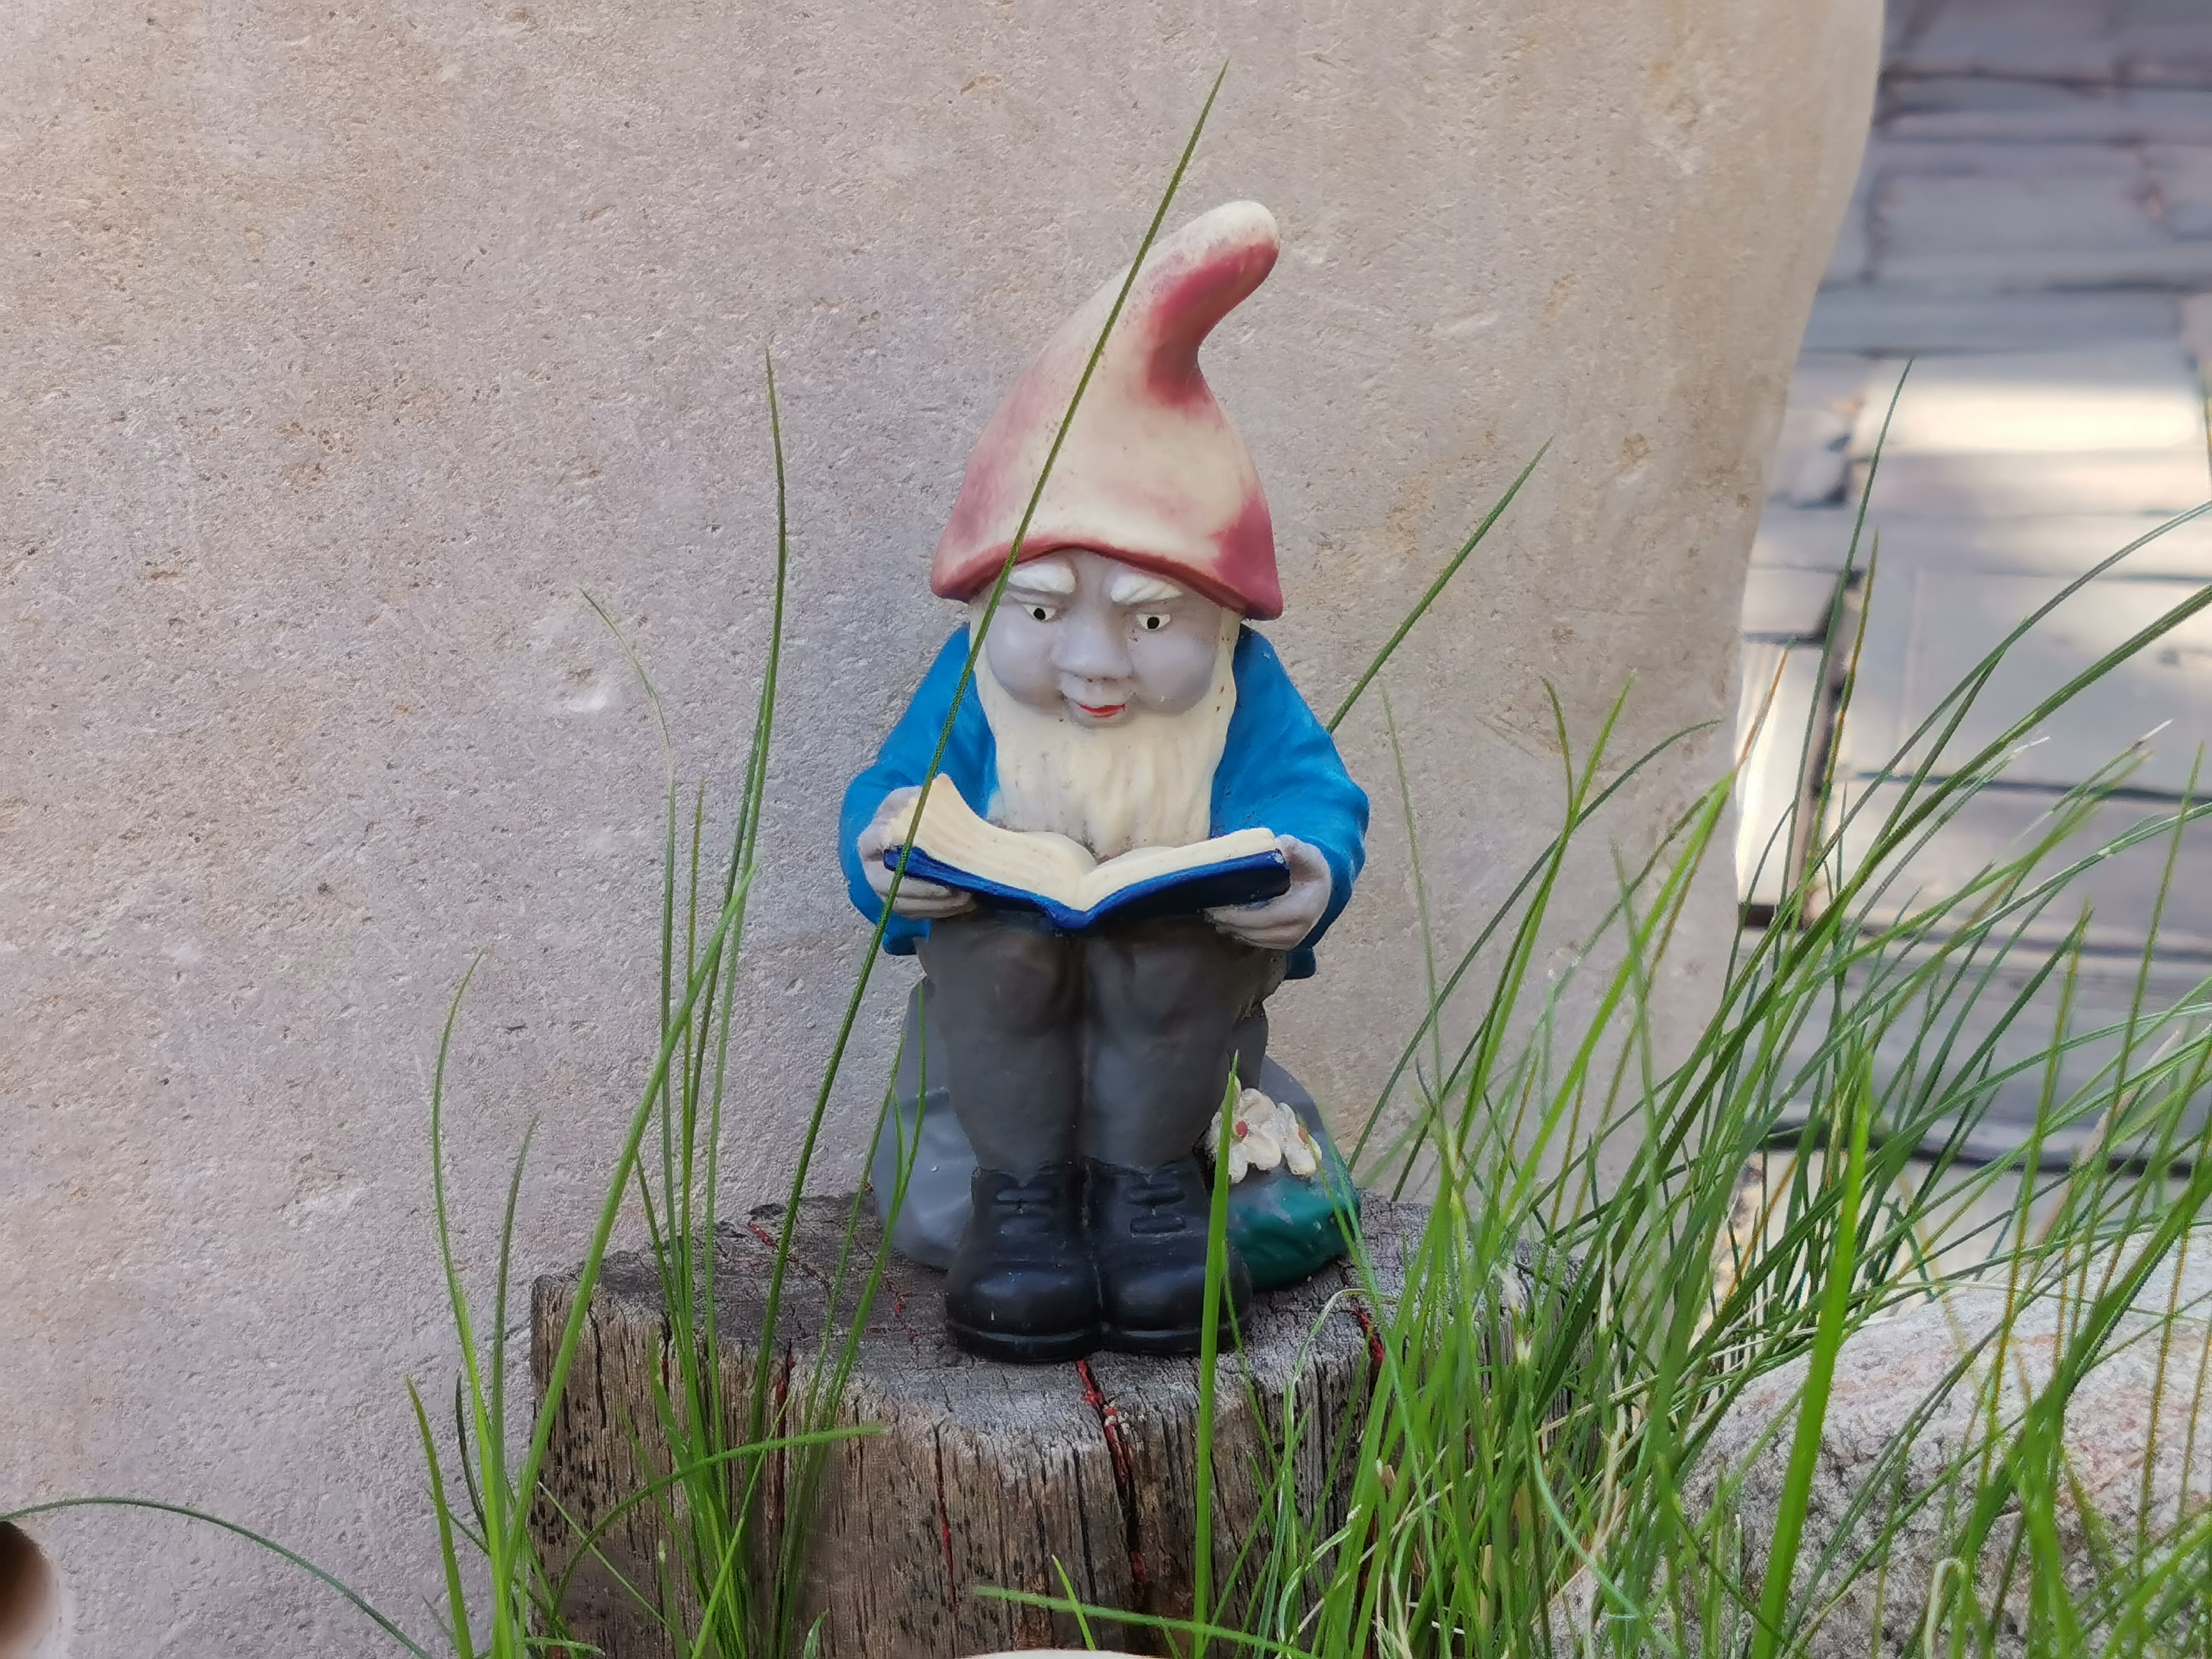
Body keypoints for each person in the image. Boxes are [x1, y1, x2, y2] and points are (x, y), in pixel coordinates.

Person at [839, 201, 1368, 1363]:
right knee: (999, 957)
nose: (1092, 663)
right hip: (999, 1014)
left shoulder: (1239, 692)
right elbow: (895, 789)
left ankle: (1150, 1196)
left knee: (1169, 959)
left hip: (1182, 1015)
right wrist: (884, 853)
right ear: (988, 603)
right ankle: (1022, 1203)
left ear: (1219, 616)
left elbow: (1313, 795)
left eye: (1151, 619)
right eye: (1040, 611)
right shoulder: (974, 688)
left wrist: (1307, 871)